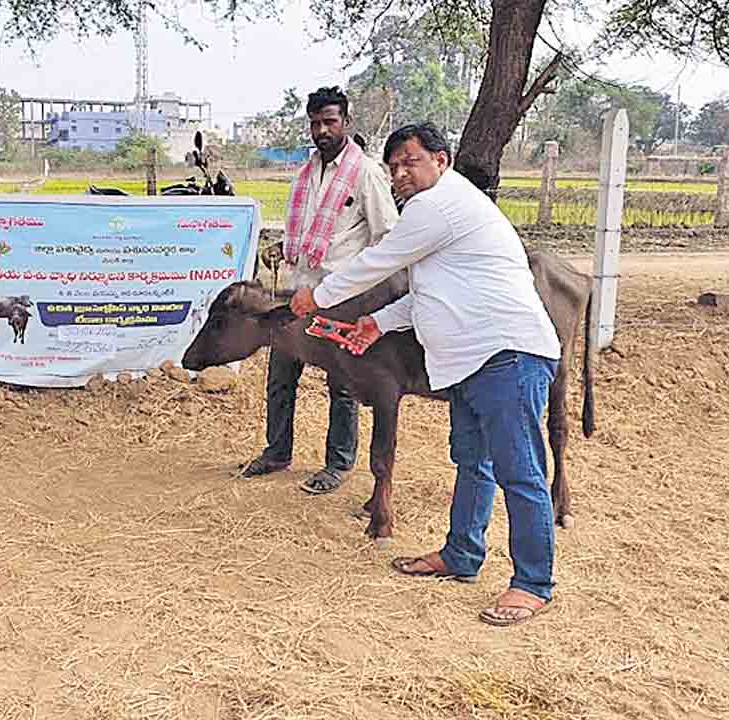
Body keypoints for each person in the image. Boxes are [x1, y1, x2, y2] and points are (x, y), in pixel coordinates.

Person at [289, 122, 563, 627]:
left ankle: (533, 583)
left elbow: (378, 260)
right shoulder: (442, 213)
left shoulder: (439, 205)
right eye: (393, 166)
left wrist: (318, 296)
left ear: (442, 160)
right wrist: (376, 323)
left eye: (410, 162)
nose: (400, 174)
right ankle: (462, 554)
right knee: (474, 464)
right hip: (474, 362)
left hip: (508, 356)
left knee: (519, 471)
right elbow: (427, 294)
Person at [240, 86, 398, 494]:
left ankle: (338, 464)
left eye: (330, 121)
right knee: (281, 375)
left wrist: (360, 285)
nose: (322, 130)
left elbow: (388, 237)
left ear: (346, 122)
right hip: (298, 293)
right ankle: (277, 452)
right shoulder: (306, 174)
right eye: (315, 123)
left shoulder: (365, 173)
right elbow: (310, 233)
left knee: (342, 384)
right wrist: (283, 249)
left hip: (342, 299)